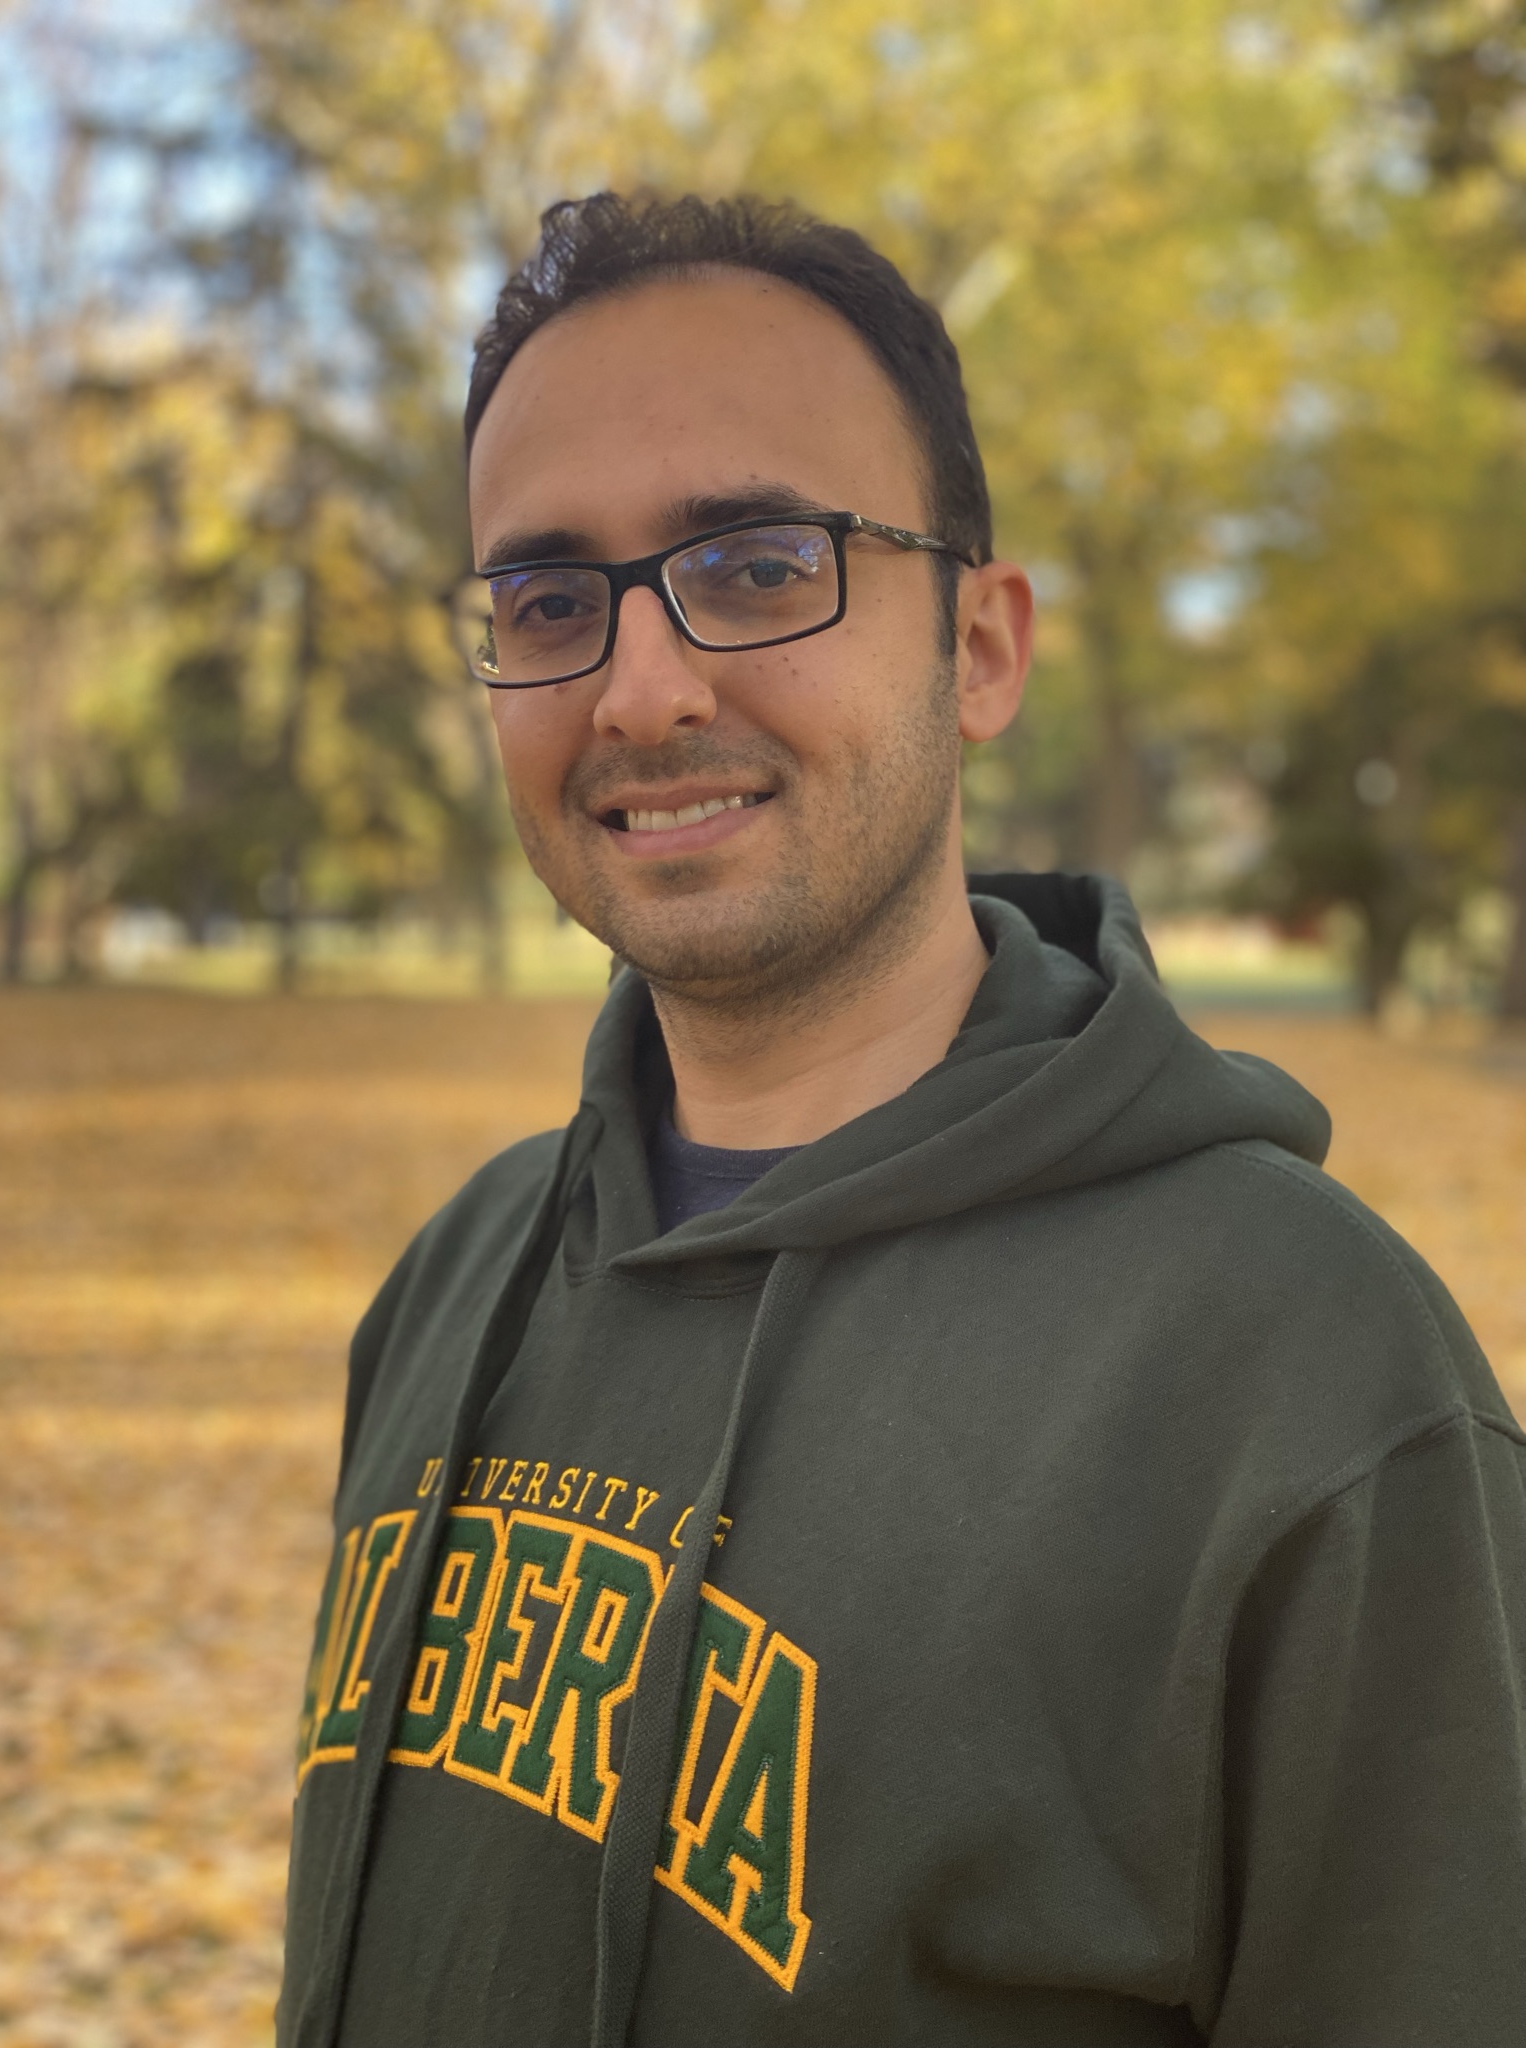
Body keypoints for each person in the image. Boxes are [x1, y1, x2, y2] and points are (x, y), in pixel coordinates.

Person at [278, 193, 1526, 2048]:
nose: (640, 687)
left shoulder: (1312, 1388)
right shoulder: (461, 1275)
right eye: (549, 599)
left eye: (762, 563)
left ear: (983, 649)